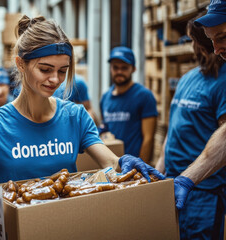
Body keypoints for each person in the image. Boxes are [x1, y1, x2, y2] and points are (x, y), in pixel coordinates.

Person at [0, 15, 164, 201]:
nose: (55, 79)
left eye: (62, 70)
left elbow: (111, 163)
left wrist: (124, 163)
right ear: (20, 64)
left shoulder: (75, 117)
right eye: (45, 69)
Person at [155, 13, 226, 240]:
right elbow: (172, 129)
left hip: (204, 192)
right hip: (172, 185)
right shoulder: (188, 78)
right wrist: (158, 173)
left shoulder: (223, 81)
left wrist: (188, 180)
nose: (192, 47)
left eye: (193, 41)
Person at [173, 0, 226, 210]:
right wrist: (186, 179)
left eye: (221, 37)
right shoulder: (188, 78)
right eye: (211, 40)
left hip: (207, 193)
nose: (215, 50)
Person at [99, 46, 158, 164]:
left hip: (135, 166)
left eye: (124, 68)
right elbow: (105, 130)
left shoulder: (144, 96)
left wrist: (140, 168)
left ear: (133, 69)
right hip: (113, 166)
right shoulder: (105, 98)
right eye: (115, 67)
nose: (119, 72)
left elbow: (148, 138)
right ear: (110, 68)